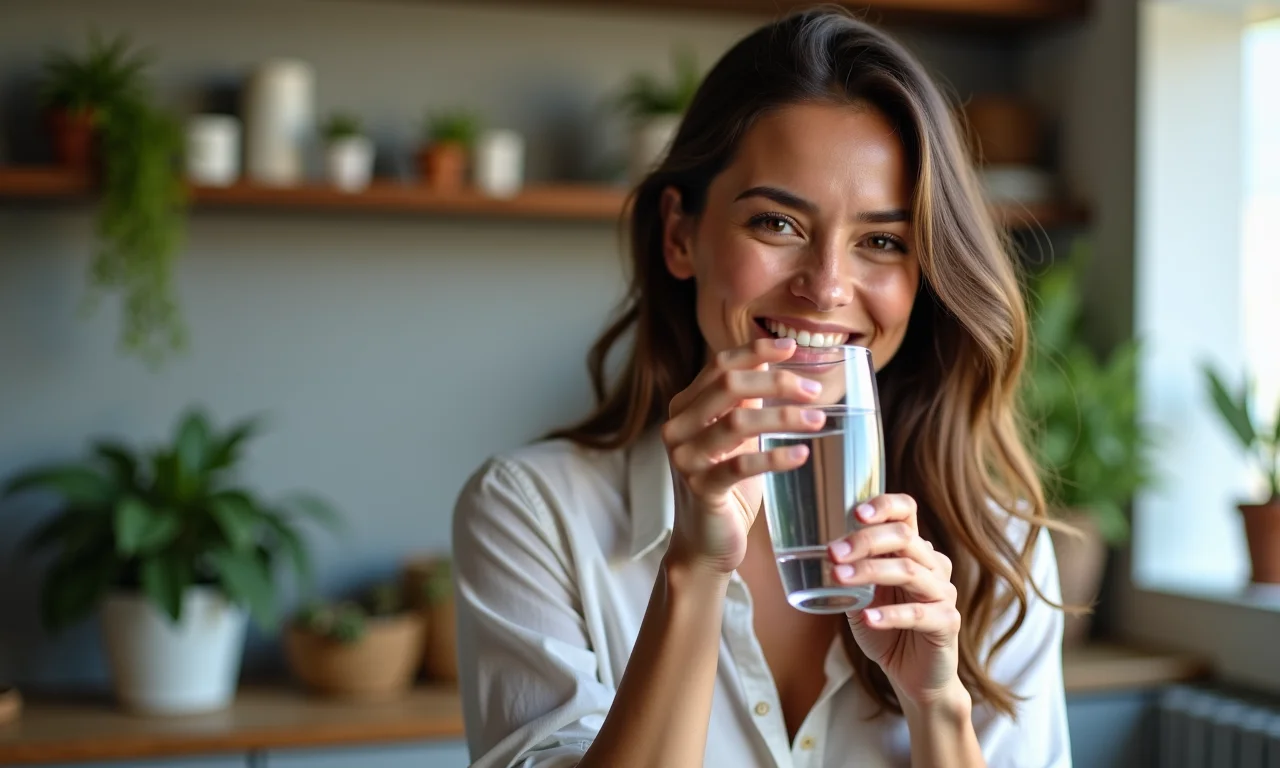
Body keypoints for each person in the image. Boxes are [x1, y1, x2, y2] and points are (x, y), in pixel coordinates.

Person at [451, 7, 1071, 768]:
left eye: (882, 241)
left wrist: (938, 708)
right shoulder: (531, 513)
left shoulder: (997, 549)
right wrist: (694, 572)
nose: (826, 287)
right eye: (777, 224)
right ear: (680, 235)